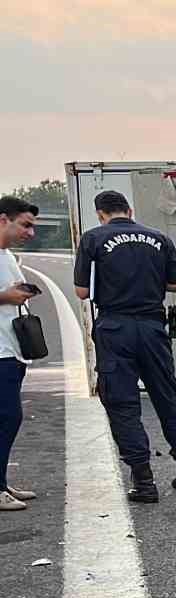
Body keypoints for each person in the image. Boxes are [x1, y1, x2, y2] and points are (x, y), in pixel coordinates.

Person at [73, 190, 176, 503]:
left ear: (100, 213)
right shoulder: (159, 238)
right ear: (129, 211)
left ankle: (143, 483)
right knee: (167, 400)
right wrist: (150, 281)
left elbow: (80, 291)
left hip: (115, 328)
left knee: (123, 405)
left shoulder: (93, 239)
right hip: (153, 328)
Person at [0, 196, 40, 512]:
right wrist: (5, 297)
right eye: (25, 225)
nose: (30, 233)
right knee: (8, 417)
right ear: (3, 220)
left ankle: (1, 482)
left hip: (12, 349)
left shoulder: (8, 256)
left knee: (8, 418)